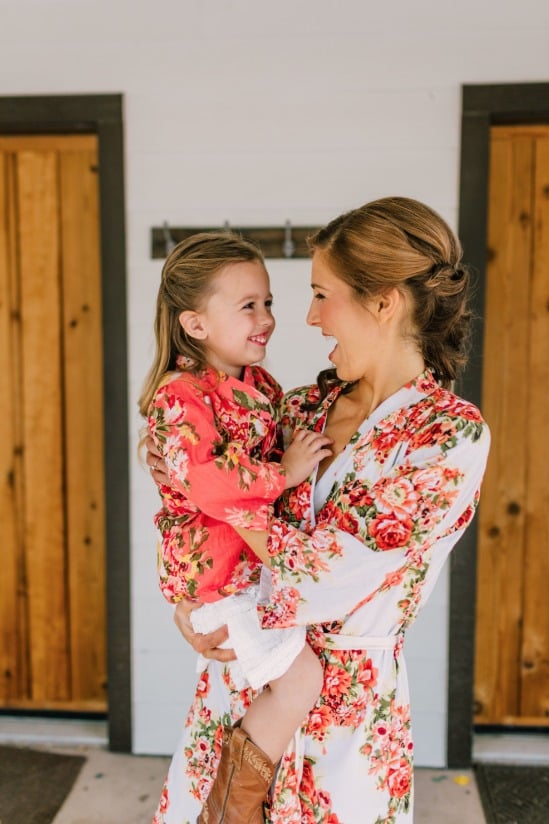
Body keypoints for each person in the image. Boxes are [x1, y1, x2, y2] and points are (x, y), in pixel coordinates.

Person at [146, 197, 491, 824]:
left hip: (347, 717)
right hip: (244, 691)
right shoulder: (299, 407)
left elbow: (320, 579)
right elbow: (207, 507)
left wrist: (217, 498)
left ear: (384, 302)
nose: (307, 317)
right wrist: (190, 597)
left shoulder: (446, 437)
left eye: (321, 294)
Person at [138, 232, 332, 824]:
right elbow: (213, 486)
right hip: (217, 581)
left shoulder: (262, 388)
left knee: (256, 694)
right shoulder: (181, 396)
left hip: (245, 575)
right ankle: (231, 808)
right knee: (300, 681)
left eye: (268, 302)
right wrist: (287, 471)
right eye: (248, 305)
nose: (268, 318)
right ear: (195, 324)